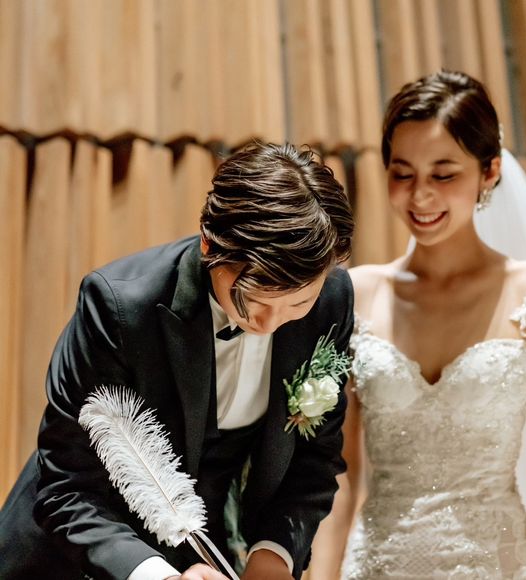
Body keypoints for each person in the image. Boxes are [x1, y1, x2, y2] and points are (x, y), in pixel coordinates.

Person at [0, 141, 355, 580]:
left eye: (297, 304)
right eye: (253, 301)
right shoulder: (119, 307)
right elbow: (68, 486)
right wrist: (157, 575)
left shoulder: (332, 301)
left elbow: (314, 459)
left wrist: (275, 554)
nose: (269, 324)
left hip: (212, 555)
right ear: (209, 244)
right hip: (79, 560)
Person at [312, 71, 526, 578]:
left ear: (489, 172)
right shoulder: (355, 294)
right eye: (403, 173)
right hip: (376, 567)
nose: (420, 197)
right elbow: (338, 470)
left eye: (444, 174)